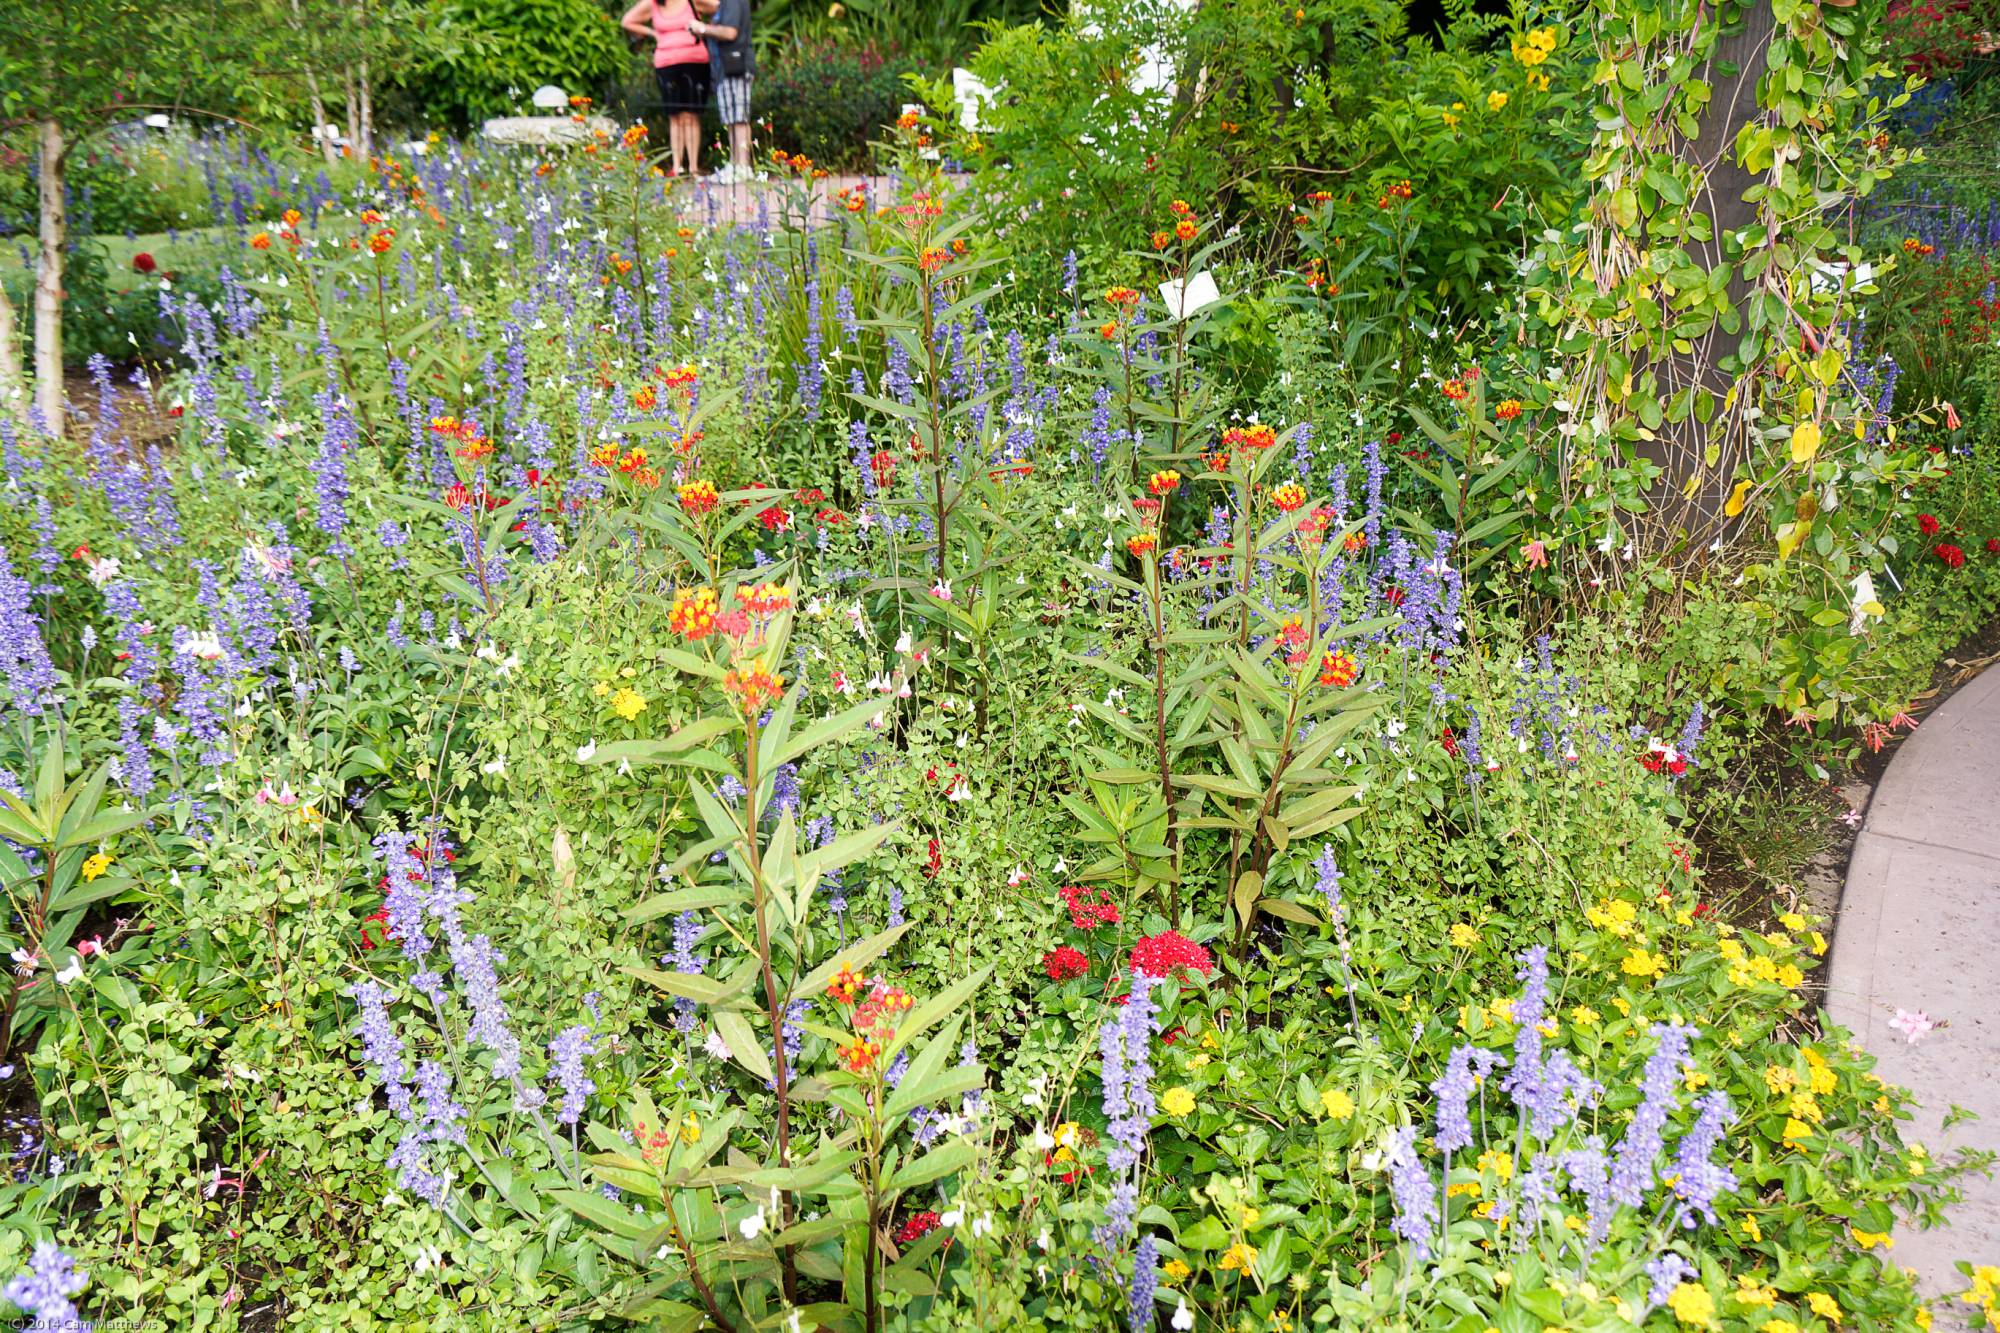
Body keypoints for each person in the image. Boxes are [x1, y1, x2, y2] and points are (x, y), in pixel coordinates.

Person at [619, 0, 711, 178]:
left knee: (691, 115)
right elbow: (626, 21)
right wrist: (652, 33)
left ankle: (693, 168)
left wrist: (702, 26)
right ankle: (677, 167)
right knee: (675, 115)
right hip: (666, 62)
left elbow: (716, 6)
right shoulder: (653, 3)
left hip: (695, 60)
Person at [690, 0, 753, 180]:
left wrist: (703, 28)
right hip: (724, 68)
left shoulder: (733, 1)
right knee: (731, 119)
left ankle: (743, 166)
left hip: (737, 65)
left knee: (739, 118)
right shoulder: (723, 4)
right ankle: (735, 165)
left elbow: (730, 32)